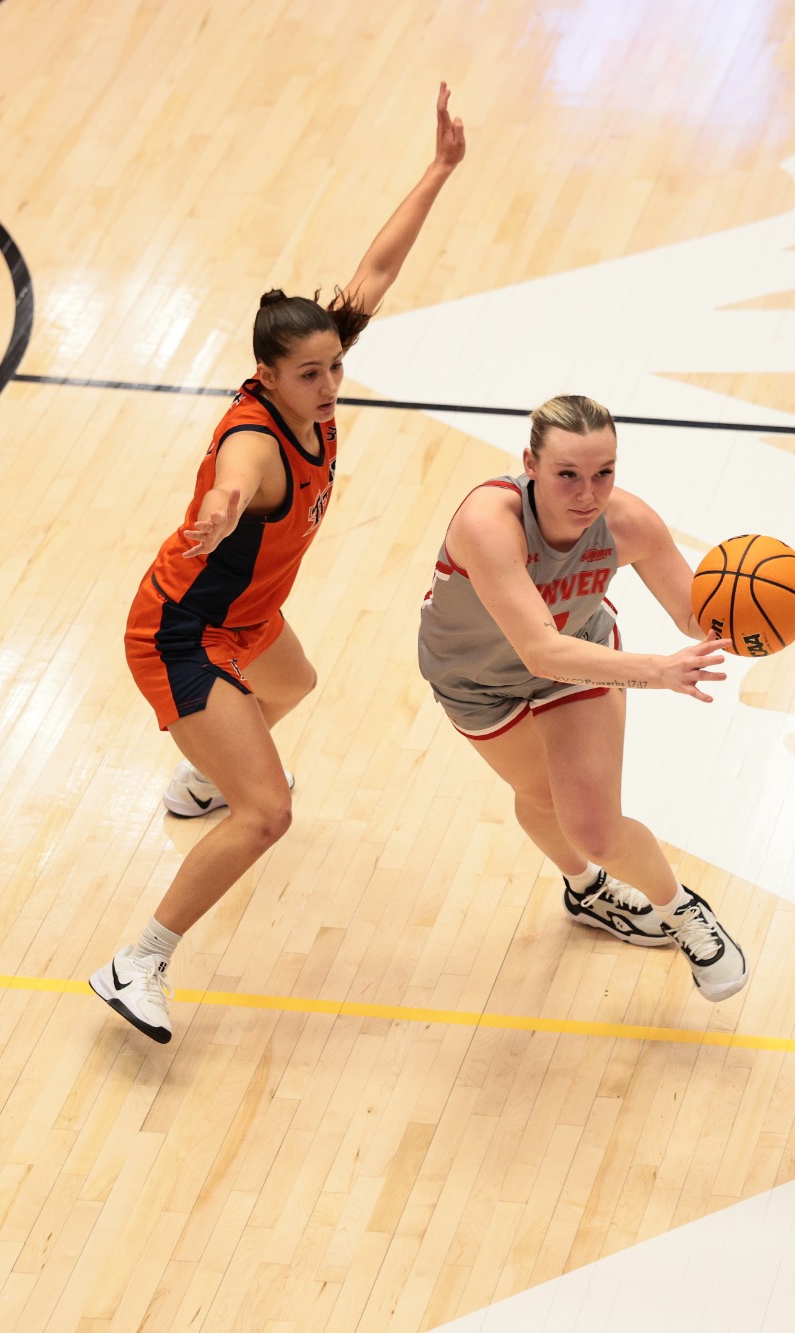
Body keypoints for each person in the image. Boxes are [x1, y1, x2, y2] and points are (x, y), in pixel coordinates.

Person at [92, 84, 467, 1042]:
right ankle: (139, 961)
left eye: (336, 366)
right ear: (266, 376)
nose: (332, 384)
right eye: (312, 373)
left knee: (293, 682)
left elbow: (376, 269)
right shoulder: (258, 444)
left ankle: (205, 775)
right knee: (269, 814)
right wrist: (218, 514)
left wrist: (438, 169)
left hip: (245, 623)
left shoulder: (313, 381)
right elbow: (232, 478)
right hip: (179, 634)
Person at [416, 395, 748, 1000]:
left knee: (592, 826)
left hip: (580, 657)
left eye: (604, 473)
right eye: (568, 474)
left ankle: (682, 911)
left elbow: (694, 616)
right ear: (531, 465)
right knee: (540, 798)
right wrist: (654, 671)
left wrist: (752, 614)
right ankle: (587, 891)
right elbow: (539, 649)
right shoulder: (488, 523)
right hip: (478, 682)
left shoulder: (628, 523)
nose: (588, 493)